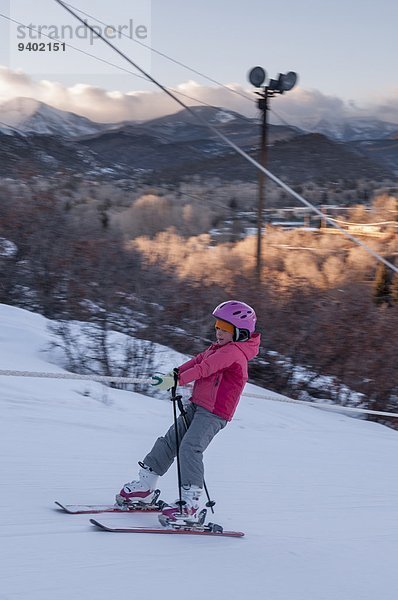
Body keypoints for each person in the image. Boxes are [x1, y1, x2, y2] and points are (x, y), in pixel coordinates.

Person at [116, 300, 260, 525]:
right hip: (198, 405)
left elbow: (205, 369)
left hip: (214, 413)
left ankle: (190, 505)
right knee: (169, 441)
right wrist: (173, 374)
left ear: (240, 333)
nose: (219, 332)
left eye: (225, 328)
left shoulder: (234, 353)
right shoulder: (219, 347)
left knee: (190, 448)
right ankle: (145, 486)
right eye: (218, 326)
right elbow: (197, 361)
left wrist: (178, 380)